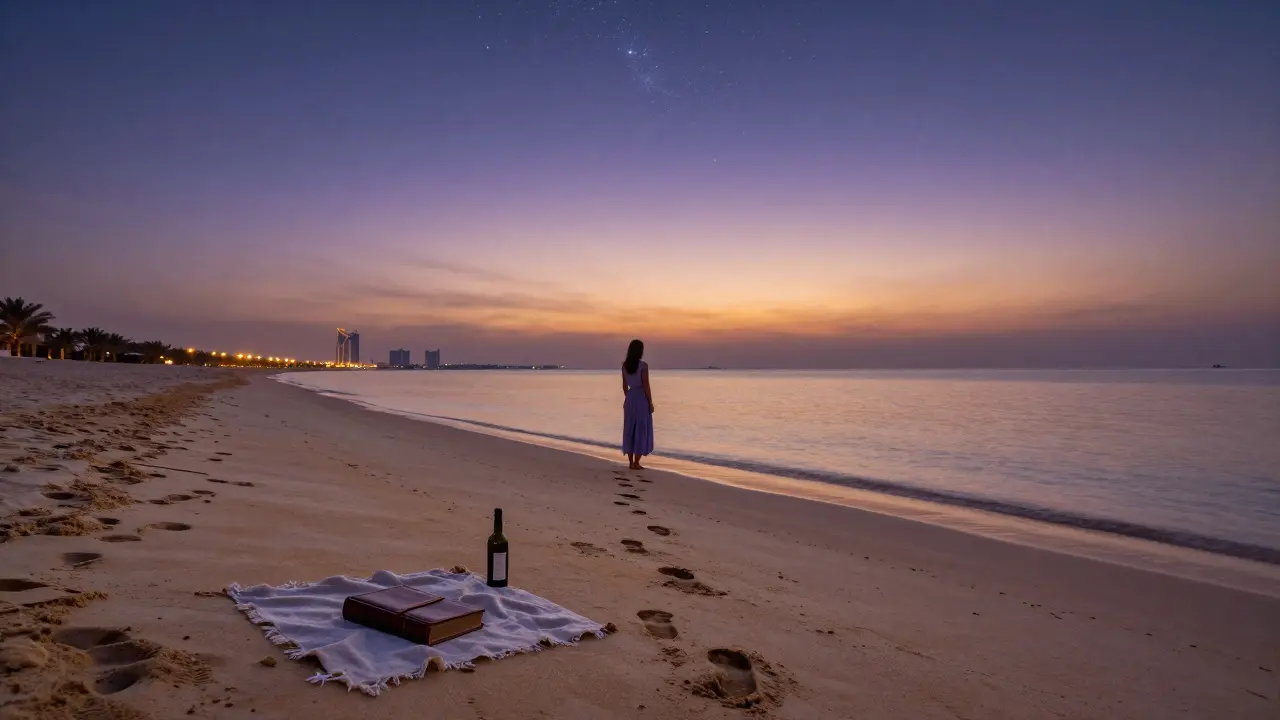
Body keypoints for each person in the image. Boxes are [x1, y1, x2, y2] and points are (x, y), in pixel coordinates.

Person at [621, 339, 654, 469]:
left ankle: (630, 462)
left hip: (630, 397)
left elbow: (624, 385)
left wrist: (628, 397)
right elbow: (646, 386)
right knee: (641, 429)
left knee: (630, 428)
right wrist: (650, 402)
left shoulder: (624, 366)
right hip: (641, 398)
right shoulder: (643, 366)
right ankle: (636, 462)